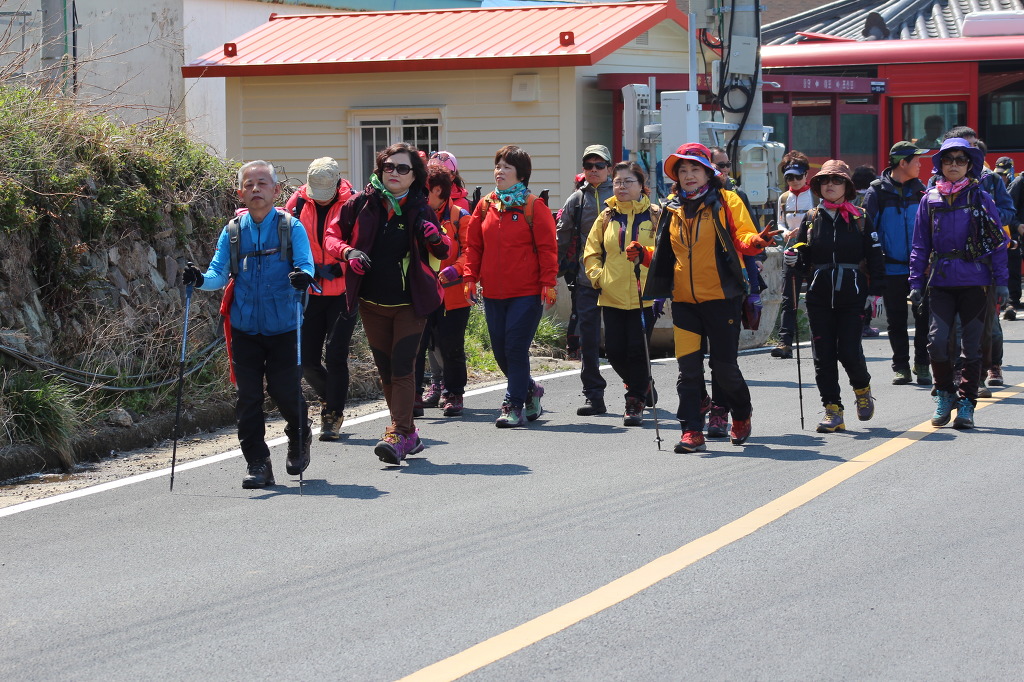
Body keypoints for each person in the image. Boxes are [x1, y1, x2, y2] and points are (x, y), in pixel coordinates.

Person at [182, 160, 315, 489]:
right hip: (244, 329)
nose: (256, 189)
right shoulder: (232, 232)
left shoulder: (291, 227)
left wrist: (303, 277)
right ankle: (258, 463)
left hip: (285, 327)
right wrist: (199, 279)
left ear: (276, 190)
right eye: (249, 184)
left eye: (262, 183)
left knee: (284, 391)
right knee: (248, 398)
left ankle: (300, 435)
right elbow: (218, 274)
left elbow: (306, 265)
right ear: (240, 193)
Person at [638, 143, 778, 453]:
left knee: (724, 368)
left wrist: (758, 241)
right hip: (684, 302)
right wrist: (642, 253)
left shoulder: (727, 201)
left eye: (695, 169)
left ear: (708, 173)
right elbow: (665, 254)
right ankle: (691, 431)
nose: (688, 175)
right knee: (688, 371)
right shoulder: (671, 208)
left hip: (722, 298)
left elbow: (743, 238)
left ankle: (741, 413)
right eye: (683, 170)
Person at [323, 142, 451, 464]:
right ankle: (408, 434)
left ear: (414, 176)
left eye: (402, 168)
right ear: (380, 170)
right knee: (386, 371)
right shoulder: (360, 203)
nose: (394, 172)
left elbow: (444, 249)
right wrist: (348, 252)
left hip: (411, 304)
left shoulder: (421, 208)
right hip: (371, 302)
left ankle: (398, 433)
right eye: (388, 167)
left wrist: (434, 237)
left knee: (402, 367)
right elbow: (331, 237)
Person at [909, 137, 1008, 430]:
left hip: (976, 282)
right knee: (937, 343)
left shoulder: (981, 198)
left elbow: (998, 243)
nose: (954, 164)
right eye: (948, 159)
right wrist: (915, 281)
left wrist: (1002, 282)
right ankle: (944, 395)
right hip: (940, 281)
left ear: (969, 165)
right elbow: (920, 245)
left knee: (972, 348)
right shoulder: (929, 199)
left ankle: (966, 404)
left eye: (960, 160)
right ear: (940, 164)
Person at [784, 160, 885, 433]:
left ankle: (862, 391)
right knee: (823, 356)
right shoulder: (811, 218)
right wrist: (793, 258)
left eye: (836, 180)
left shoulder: (860, 217)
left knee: (849, 351)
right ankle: (833, 410)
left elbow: (875, 256)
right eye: (825, 181)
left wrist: (876, 293)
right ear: (818, 186)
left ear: (847, 186)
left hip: (853, 295)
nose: (830, 185)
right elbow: (803, 259)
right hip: (818, 296)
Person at [464, 145, 558, 428]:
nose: (499, 171)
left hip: (526, 293)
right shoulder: (485, 205)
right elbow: (473, 246)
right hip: (493, 292)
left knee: (515, 349)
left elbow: (548, 248)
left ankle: (512, 405)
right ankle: (530, 388)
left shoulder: (533, 206)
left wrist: (548, 283)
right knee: (500, 351)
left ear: (521, 174)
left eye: (507, 167)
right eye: (498, 166)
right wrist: (469, 278)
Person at [283, 157, 357, 441]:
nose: (321, 198)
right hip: (310, 290)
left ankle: (333, 415)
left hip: (344, 291)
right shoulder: (298, 202)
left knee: (336, 353)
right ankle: (331, 395)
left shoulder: (354, 204)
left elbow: (364, 243)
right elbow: (286, 239)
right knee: (306, 359)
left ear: (338, 182)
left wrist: (342, 266)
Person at [582, 161, 661, 425]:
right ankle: (642, 383)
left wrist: (648, 259)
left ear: (641, 185)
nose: (622, 186)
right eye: (617, 182)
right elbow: (591, 251)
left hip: (645, 297)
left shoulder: (656, 215)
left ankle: (634, 401)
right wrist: (598, 278)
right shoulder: (606, 216)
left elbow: (667, 252)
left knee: (638, 350)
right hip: (612, 294)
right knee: (615, 352)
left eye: (628, 181)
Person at [861, 142, 932, 386]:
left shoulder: (922, 191)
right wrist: (872, 267)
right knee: (896, 320)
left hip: (920, 268)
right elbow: (867, 231)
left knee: (924, 318)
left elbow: (931, 228)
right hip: (890, 268)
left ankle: (922, 364)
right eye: (916, 160)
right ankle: (901, 366)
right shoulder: (876, 192)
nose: (920, 164)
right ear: (903, 163)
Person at [556, 144, 615, 416]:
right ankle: (594, 396)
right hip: (585, 279)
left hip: (620, 280)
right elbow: (561, 237)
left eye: (599, 165)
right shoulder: (576, 199)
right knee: (588, 341)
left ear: (609, 169)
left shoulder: (621, 194)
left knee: (621, 342)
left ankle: (638, 388)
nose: (594, 170)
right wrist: (551, 272)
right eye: (589, 166)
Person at [414, 165, 472, 417]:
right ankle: (413, 396)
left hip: (453, 295)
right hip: (421, 294)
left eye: (423, 189)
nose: (417, 194)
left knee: (452, 347)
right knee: (416, 346)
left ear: (437, 190)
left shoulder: (460, 216)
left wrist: (456, 269)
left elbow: (471, 251)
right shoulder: (414, 214)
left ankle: (454, 394)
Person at [774, 150, 817, 359]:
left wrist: (807, 230)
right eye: (790, 177)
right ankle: (785, 343)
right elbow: (780, 222)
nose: (794, 181)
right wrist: (784, 232)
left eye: (798, 176)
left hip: (814, 251)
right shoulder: (783, 198)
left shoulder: (816, 195)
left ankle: (821, 339)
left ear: (806, 174)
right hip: (791, 250)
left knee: (816, 297)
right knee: (788, 298)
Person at [852, 165, 881, 337]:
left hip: (854, 249)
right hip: (869, 247)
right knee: (868, 288)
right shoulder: (873, 195)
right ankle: (866, 324)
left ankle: (857, 323)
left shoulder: (850, 197)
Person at [1006, 169, 1024, 320]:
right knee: (1013, 268)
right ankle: (1012, 303)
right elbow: (1009, 210)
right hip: (1019, 234)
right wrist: (1018, 225)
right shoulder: (1019, 183)